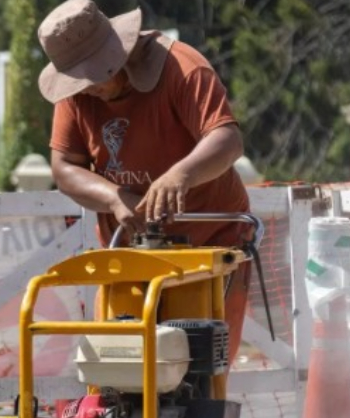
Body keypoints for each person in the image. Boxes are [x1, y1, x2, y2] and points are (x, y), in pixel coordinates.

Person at [37, 0, 253, 362]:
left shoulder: (182, 67)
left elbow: (227, 139)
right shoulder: (75, 94)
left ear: (116, 54)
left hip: (208, 246)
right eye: (75, 80)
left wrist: (181, 175)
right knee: (119, 369)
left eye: (91, 77)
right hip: (129, 256)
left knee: (198, 371)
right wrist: (113, 196)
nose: (84, 89)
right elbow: (64, 168)